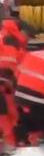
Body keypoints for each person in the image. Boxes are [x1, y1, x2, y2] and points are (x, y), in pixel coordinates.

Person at [0, 20, 27, 148]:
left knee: (5, 116)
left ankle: (10, 143)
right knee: (13, 115)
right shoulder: (15, 41)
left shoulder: (6, 38)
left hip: (6, 82)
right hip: (9, 82)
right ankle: (14, 143)